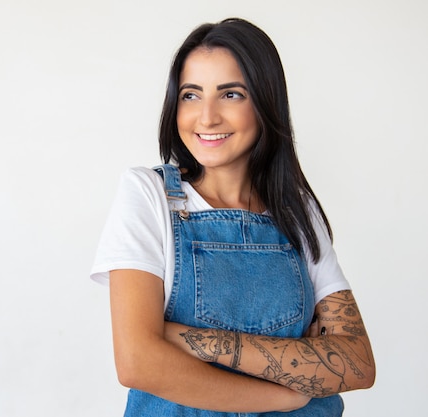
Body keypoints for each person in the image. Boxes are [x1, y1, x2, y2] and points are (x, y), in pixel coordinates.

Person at [90, 17, 375, 416]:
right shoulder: (149, 195)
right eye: (191, 95)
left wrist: (184, 339)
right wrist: (286, 391)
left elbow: (357, 364)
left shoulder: (297, 212)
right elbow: (139, 363)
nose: (206, 117)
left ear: (265, 101)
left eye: (231, 95)